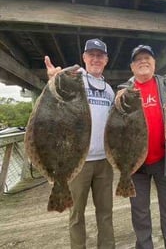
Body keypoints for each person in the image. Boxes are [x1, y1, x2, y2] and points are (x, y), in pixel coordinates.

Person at [44, 38, 115, 249]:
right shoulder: (72, 79)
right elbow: (51, 108)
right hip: (76, 162)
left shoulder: (109, 90)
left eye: (100, 55)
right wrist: (53, 80)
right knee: (76, 214)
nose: (95, 59)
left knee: (106, 213)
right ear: (84, 58)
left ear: (106, 60)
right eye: (91, 55)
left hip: (104, 161)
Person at [119, 45, 166, 249]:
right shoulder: (122, 92)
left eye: (147, 57)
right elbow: (113, 128)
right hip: (135, 166)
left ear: (154, 63)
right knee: (140, 213)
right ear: (131, 67)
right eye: (138, 59)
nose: (143, 61)